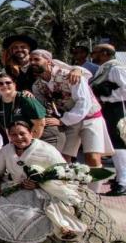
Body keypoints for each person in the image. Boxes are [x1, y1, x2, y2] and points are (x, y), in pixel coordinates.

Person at [0, 121, 123, 243]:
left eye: (22, 133)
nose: (19, 138)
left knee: (38, 212)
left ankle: (65, 229)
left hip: (46, 188)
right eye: (14, 135)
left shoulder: (46, 150)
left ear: (31, 133)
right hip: (16, 188)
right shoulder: (7, 150)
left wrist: (39, 183)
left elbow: (62, 172)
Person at [30, 49, 112, 188]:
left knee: (92, 157)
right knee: (63, 157)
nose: (33, 63)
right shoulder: (37, 86)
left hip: (90, 118)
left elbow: (83, 102)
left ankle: (93, 196)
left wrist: (63, 121)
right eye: (31, 60)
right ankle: (68, 192)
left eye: (36, 59)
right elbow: (45, 106)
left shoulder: (70, 75)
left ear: (48, 61)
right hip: (68, 121)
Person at [90, 44, 126, 196]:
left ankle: (123, 182)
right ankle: (120, 176)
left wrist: (105, 96)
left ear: (105, 53)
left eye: (95, 52)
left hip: (117, 108)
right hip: (108, 108)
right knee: (113, 144)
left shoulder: (116, 68)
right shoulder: (105, 68)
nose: (92, 55)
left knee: (119, 144)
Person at [0, 72, 46, 143]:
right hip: (17, 141)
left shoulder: (25, 98)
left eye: (8, 83)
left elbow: (40, 123)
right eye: (0, 84)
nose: (4, 85)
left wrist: (30, 144)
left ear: (14, 85)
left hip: (40, 137)